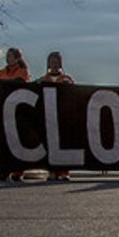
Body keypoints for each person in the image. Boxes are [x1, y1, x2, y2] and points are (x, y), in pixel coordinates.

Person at [0, 48, 32, 182]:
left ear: (17, 58)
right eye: (7, 56)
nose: (8, 58)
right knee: (2, 142)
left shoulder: (22, 71)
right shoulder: (1, 72)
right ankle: (4, 170)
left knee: (18, 140)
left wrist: (3, 83)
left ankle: (18, 171)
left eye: (10, 56)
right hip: (3, 111)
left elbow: (19, 83)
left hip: (17, 111)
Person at [39, 51, 75, 182]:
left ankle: (64, 172)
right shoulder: (43, 80)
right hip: (48, 117)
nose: (54, 65)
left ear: (60, 64)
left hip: (62, 116)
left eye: (56, 62)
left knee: (64, 144)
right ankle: (52, 171)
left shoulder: (67, 79)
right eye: (52, 62)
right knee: (50, 144)